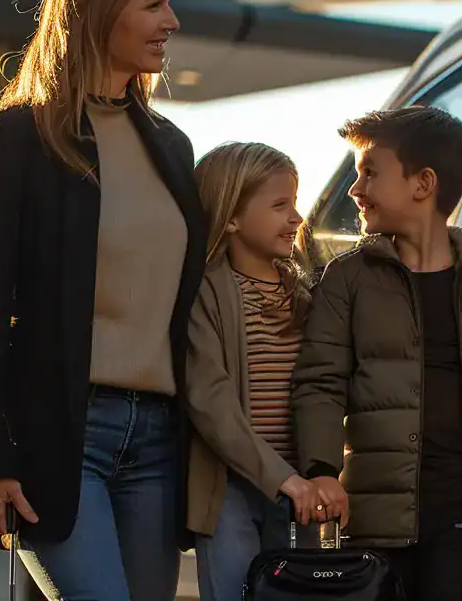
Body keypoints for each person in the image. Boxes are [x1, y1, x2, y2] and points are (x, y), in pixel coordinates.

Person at [0, 0, 203, 599]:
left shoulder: (173, 149)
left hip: (157, 439)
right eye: (153, 6)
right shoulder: (16, 140)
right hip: (58, 437)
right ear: (98, 7)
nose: (171, 22)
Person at [292, 105, 462, 598]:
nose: (356, 189)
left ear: (423, 183)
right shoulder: (346, 279)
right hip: (372, 515)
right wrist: (323, 472)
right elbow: (320, 383)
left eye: (370, 172)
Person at [182, 143, 323, 601]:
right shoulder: (207, 293)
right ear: (231, 217)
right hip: (229, 491)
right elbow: (210, 398)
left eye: (295, 203)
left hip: (301, 493)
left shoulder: (307, 294)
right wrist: (282, 477)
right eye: (280, 205)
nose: (296, 218)